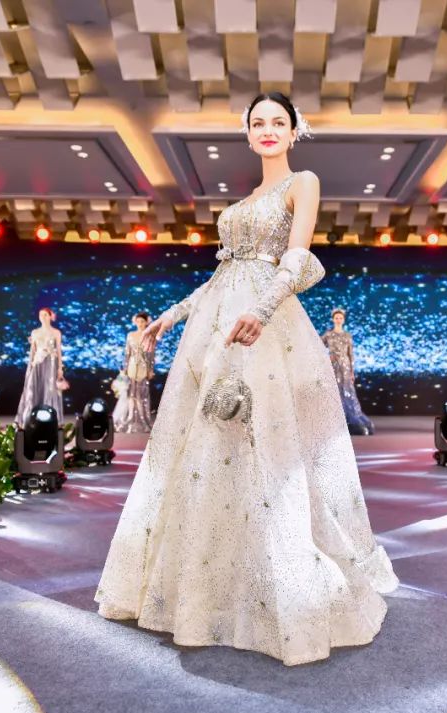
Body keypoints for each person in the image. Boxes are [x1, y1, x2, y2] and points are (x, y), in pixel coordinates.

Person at [95, 91, 398, 666]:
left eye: (278, 122)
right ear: (248, 132)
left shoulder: (301, 182)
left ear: (294, 131)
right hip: (214, 328)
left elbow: (296, 258)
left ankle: (279, 583)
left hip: (266, 326)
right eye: (258, 122)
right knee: (207, 445)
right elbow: (219, 277)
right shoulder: (244, 202)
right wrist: (171, 314)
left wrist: (261, 311)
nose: (267, 130)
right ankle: (209, 585)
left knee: (268, 446)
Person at [321, 308, 375, 435]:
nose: (338, 320)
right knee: (335, 391)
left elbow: (350, 354)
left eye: (340, 318)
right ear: (333, 319)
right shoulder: (328, 335)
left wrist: (352, 371)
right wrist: (326, 358)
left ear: (343, 320)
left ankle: (352, 418)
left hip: (345, 367)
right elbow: (317, 346)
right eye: (336, 318)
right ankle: (336, 420)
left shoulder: (347, 335)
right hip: (333, 367)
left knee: (348, 392)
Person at [14, 307, 65, 426]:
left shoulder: (56, 332)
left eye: (45, 315)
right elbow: (32, 350)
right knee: (33, 388)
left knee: (49, 389)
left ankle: (50, 419)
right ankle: (30, 418)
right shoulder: (35, 332)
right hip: (37, 363)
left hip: (50, 364)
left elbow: (59, 351)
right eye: (40, 315)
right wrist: (31, 365)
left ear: (50, 316)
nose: (42, 317)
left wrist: (60, 368)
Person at [112, 312, 155, 433]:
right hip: (131, 367)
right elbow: (127, 353)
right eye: (138, 321)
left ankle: (142, 421)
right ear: (135, 322)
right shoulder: (130, 335)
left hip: (143, 368)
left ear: (147, 322)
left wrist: (151, 369)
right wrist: (125, 369)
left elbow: (151, 354)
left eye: (142, 321)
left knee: (142, 396)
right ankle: (130, 419)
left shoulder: (150, 336)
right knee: (131, 395)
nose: (140, 324)